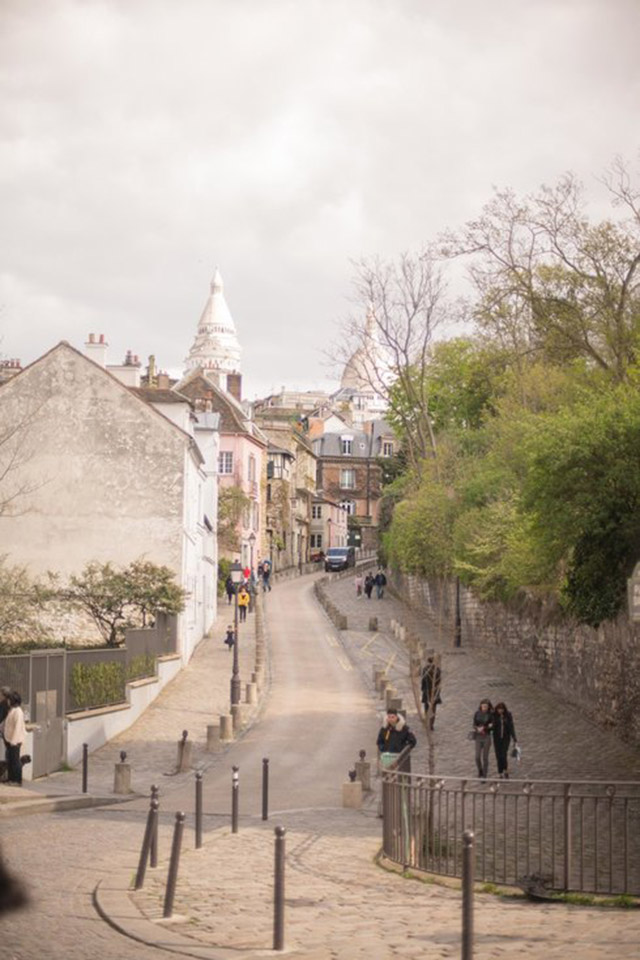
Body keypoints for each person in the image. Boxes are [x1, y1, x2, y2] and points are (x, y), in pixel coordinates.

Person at [376, 708, 417, 773]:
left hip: (400, 758)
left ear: (396, 717)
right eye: (389, 717)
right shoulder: (384, 728)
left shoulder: (404, 728)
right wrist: (384, 749)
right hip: (388, 758)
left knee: (400, 778)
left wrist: (403, 749)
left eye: (393, 717)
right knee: (388, 777)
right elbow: (379, 741)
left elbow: (413, 742)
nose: (391, 719)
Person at [4, 693, 26, 786]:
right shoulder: (12, 710)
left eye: (10, 700)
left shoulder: (18, 711)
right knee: (10, 760)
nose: (8, 701)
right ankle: (11, 779)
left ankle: (17, 780)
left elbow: (18, 727)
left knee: (15, 761)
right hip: (9, 740)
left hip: (15, 741)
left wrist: (14, 740)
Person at [492, 702, 517, 778]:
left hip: (506, 738)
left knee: (503, 754)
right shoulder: (494, 716)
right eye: (499, 709)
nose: (500, 711)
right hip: (497, 738)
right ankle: (500, 772)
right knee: (498, 755)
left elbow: (511, 726)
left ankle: (505, 770)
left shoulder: (508, 715)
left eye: (502, 709)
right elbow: (492, 727)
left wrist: (514, 738)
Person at [473, 699, 494, 780]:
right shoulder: (477, 713)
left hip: (487, 737)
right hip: (478, 737)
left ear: (488, 707)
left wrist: (484, 727)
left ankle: (484, 774)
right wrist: (477, 728)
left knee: (485, 757)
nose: (484, 708)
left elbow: (492, 726)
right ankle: (480, 770)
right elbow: (474, 724)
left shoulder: (490, 715)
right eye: (483, 706)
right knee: (477, 757)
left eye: (486, 706)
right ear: (480, 706)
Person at [421, 657, 442, 730]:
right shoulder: (438, 670)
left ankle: (427, 722)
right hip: (434, 691)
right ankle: (431, 724)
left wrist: (422, 688)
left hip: (427, 691)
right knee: (433, 708)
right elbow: (439, 681)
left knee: (426, 708)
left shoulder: (425, 670)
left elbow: (423, 680)